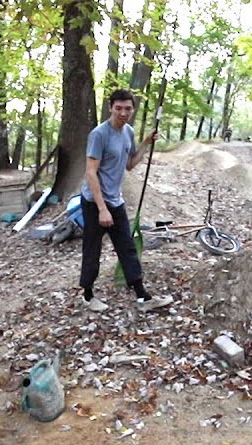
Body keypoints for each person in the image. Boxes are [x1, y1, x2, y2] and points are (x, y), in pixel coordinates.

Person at [79, 88, 174, 313]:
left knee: (127, 247)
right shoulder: (99, 134)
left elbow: (130, 164)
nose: (123, 112)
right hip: (94, 202)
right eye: (118, 108)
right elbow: (91, 172)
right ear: (111, 108)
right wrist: (102, 209)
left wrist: (145, 144)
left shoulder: (128, 132)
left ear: (133, 110)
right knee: (92, 250)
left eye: (128, 108)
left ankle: (142, 296)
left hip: (115, 200)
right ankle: (87, 295)